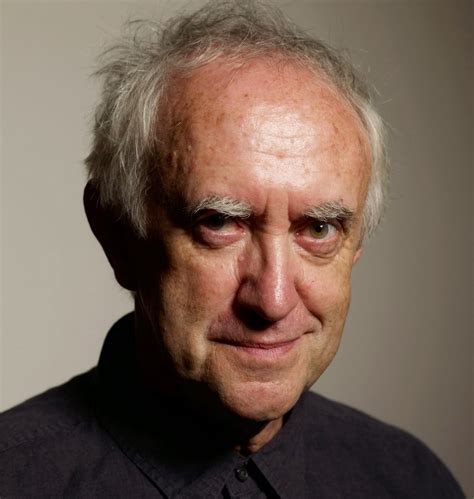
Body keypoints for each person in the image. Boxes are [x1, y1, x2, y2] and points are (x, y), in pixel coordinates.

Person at [0, 1, 464, 497]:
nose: (273, 300)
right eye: (220, 223)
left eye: (319, 229)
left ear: (356, 247)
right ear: (116, 233)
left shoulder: (412, 481)